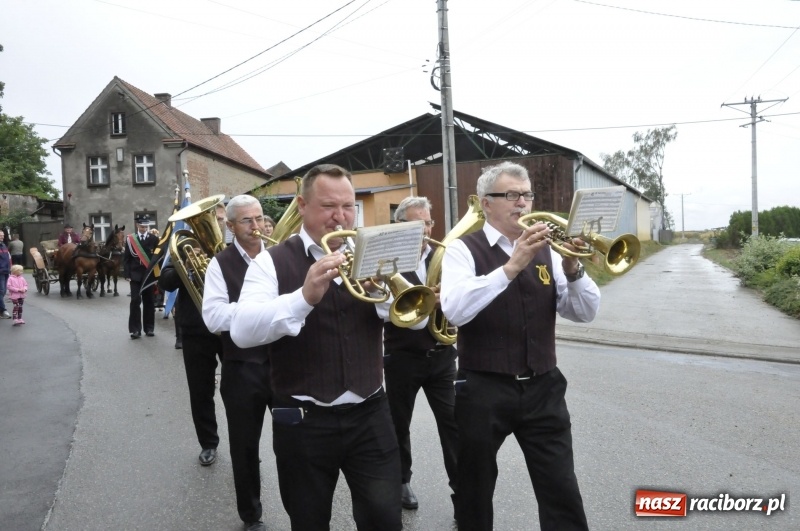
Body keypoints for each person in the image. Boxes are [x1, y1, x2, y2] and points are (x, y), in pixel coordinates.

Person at [230, 164, 407, 531]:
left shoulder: (371, 251)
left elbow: (415, 318)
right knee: (308, 521)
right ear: (302, 205)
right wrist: (303, 298)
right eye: (328, 206)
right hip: (303, 420)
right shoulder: (271, 261)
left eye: (347, 206)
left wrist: (382, 297)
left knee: (384, 519)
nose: (340, 216)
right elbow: (243, 331)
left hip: (369, 413)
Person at [440, 161, 601, 531]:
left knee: (561, 488)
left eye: (527, 195)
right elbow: (454, 309)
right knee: (474, 489)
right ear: (486, 203)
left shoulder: (550, 249)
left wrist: (574, 270)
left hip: (543, 385)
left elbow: (585, 312)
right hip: (483, 387)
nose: (522, 203)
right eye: (511, 195)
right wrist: (510, 267)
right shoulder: (462, 250)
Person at [383, 196, 458, 512]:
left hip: (442, 356)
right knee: (398, 424)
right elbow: (384, 310)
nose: (424, 229)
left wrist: (450, 300)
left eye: (427, 222)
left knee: (455, 426)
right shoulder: (388, 260)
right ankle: (401, 481)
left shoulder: (447, 257)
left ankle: (462, 493)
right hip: (402, 357)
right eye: (416, 223)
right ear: (400, 225)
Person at [202, 195, 272, 531]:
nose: (256, 227)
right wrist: (258, 314)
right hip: (242, 367)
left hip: (286, 365)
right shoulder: (220, 264)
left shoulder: (279, 255)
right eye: (247, 221)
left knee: (298, 445)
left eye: (259, 218)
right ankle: (251, 514)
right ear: (230, 226)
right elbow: (214, 317)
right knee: (245, 447)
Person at [159, 259, 223, 466]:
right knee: (200, 390)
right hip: (195, 328)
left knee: (239, 390)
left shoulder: (230, 247)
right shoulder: (185, 246)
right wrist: (185, 266)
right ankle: (208, 442)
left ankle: (244, 444)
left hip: (230, 326)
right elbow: (165, 281)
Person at [123, 215, 159, 339]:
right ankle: (135, 330)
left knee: (149, 302)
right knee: (135, 301)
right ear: (138, 226)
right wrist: (127, 274)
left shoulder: (154, 239)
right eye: (142, 226)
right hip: (135, 275)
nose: (144, 229)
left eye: (146, 227)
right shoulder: (130, 239)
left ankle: (149, 328)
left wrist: (156, 276)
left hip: (148, 275)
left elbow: (157, 259)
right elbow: (126, 258)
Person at [0, 230, 11, 319]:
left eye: (3, 235)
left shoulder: (3, 245)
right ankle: (3, 310)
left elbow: (8, 258)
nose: (2, 237)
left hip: (6, 271)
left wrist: (10, 268)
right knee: (1, 290)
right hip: (0, 272)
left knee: (3, 291)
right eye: (0, 235)